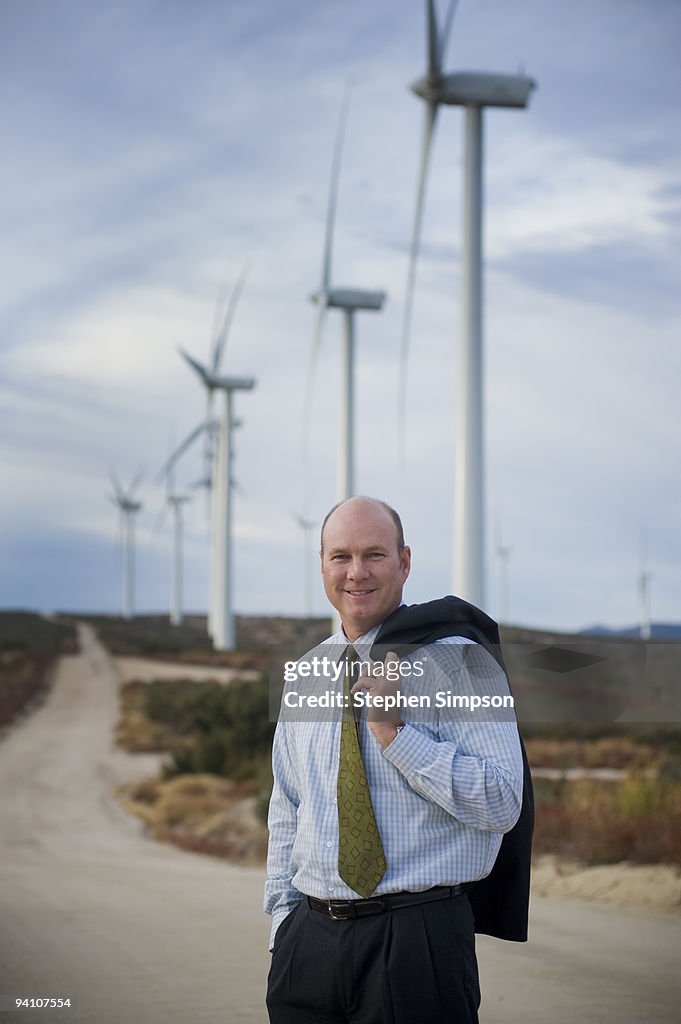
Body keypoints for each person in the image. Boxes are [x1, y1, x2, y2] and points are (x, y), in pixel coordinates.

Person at [265, 496, 529, 1024]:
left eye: (374, 555)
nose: (356, 572)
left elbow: (503, 801)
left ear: (405, 562)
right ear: (321, 565)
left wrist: (393, 732)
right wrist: (280, 925)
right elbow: (287, 809)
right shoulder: (305, 677)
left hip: (418, 941)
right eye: (340, 556)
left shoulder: (462, 663)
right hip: (309, 945)